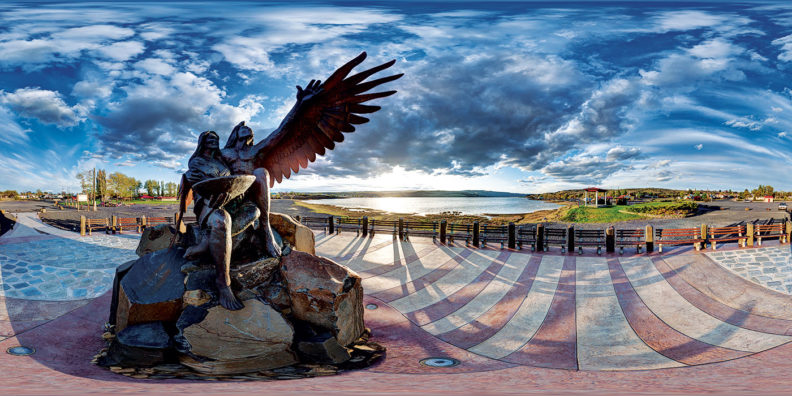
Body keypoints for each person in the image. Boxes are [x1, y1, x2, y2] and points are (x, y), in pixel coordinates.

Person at [183, 130, 250, 310]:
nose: (214, 140)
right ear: (202, 142)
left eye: (216, 138)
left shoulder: (221, 161)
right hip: (209, 205)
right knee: (222, 220)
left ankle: (207, 241)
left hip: (228, 201)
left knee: (254, 211)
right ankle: (223, 282)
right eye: (209, 138)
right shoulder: (196, 162)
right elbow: (199, 184)